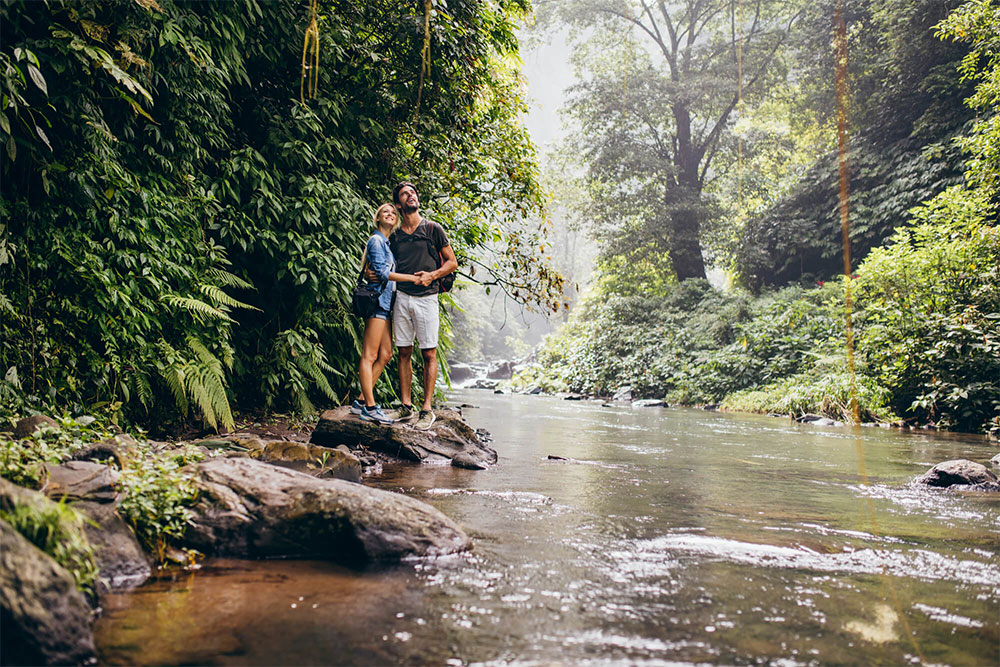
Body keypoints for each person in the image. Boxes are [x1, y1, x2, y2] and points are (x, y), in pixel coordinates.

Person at [387, 181, 457, 430]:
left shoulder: (432, 229)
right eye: (406, 194)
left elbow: (452, 262)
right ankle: (406, 406)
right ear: (399, 204)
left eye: (413, 192)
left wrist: (432, 275)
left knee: (428, 352)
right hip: (402, 298)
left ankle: (426, 410)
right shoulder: (394, 236)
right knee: (404, 352)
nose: (411, 195)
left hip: (427, 297)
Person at [352, 203, 426, 424]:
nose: (390, 214)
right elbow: (383, 274)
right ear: (378, 218)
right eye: (386, 212)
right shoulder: (376, 241)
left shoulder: (387, 243)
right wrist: (412, 278)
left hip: (385, 304)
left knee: (386, 354)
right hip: (376, 302)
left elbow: (380, 270)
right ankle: (370, 407)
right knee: (369, 355)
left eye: (394, 213)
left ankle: (360, 401)